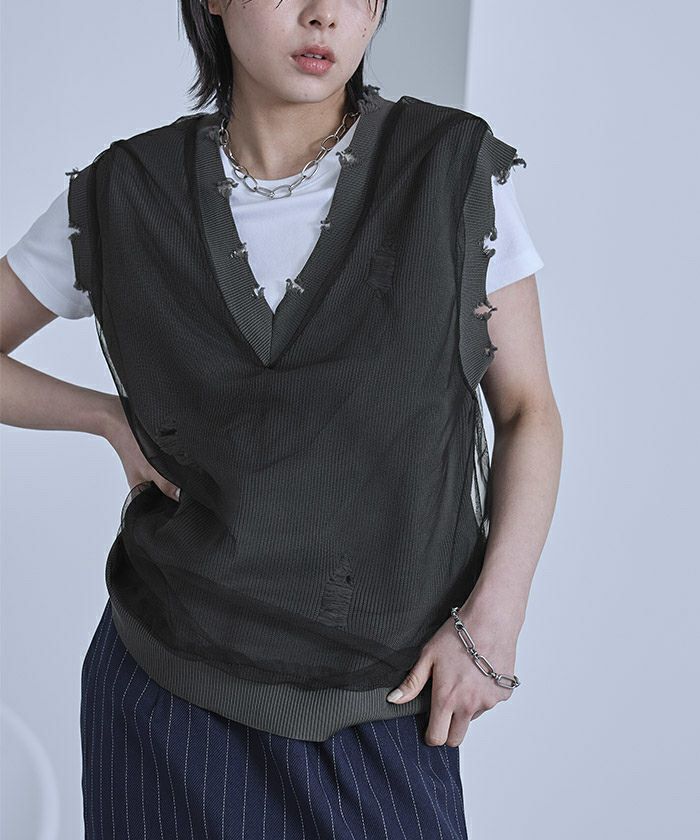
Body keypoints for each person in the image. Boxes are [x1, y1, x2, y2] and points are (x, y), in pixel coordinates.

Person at [0, 1, 562, 837]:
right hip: (164, 696)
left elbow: (526, 411)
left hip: (381, 703)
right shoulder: (127, 191)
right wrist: (107, 417)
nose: (324, 15)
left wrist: (495, 621)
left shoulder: (448, 172)